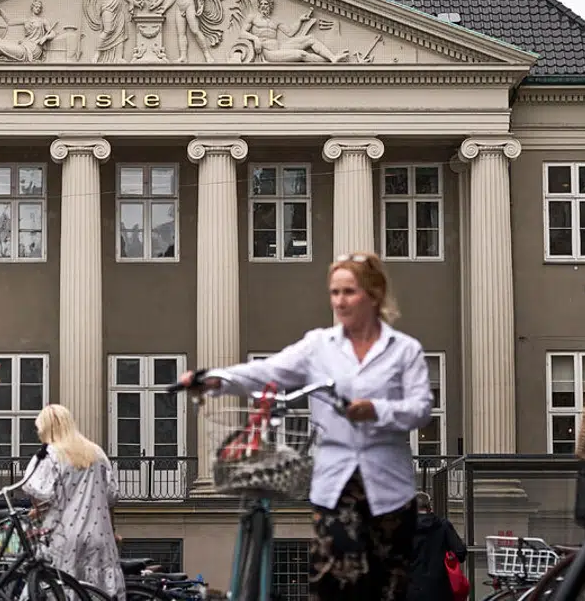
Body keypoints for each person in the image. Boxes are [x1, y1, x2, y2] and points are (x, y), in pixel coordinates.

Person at [178, 252, 432, 601]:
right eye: (334, 292)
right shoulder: (318, 347)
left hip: (389, 485)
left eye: (349, 292)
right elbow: (266, 372)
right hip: (336, 481)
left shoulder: (404, 351)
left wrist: (376, 410)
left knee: (388, 584)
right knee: (335, 576)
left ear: (373, 295)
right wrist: (213, 380)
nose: (340, 301)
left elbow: (420, 409)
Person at [21, 404, 126, 601]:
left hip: (63, 537)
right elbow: (111, 497)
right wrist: (113, 530)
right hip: (99, 536)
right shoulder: (97, 453)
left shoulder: (50, 454)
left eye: (39, 429)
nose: (38, 434)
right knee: (97, 593)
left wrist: (35, 513)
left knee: (60, 590)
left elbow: (38, 492)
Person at [407, 492, 468, 601]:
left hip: (412, 589)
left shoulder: (406, 528)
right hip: (439, 590)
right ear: (429, 507)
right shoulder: (443, 525)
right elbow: (460, 552)